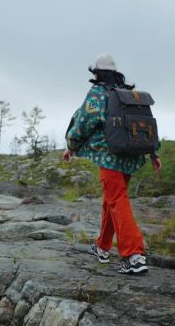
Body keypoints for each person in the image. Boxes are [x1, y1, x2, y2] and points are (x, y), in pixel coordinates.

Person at [63, 53, 162, 275]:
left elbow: (83, 123)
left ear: (96, 73)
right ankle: (102, 247)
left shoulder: (98, 93)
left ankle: (134, 256)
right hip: (131, 154)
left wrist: (71, 144)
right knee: (111, 200)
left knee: (116, 199)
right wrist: (154, 152)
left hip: (109, 156)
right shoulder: (129, 94)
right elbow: (146, 124)